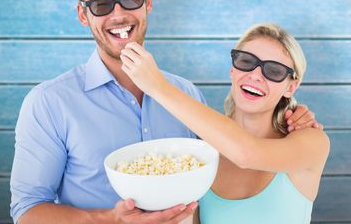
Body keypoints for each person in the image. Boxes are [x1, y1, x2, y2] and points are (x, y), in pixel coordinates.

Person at [10, 0, 321, 224]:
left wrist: (291, 113)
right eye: (102, 4)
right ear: (83, 14)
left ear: (147, 3)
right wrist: (110, 219)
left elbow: (241, 155)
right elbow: (27, 212)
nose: (118, 14)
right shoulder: (49, 102)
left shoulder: (186, 95)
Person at [121, 23, 330, 223]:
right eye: (246, 62)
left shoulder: (312, 141)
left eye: (274, 71)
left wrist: (158, 87)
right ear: (233, 70)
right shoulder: (200, 154)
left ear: (291, 87)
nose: (255, 76)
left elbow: (246, 154)